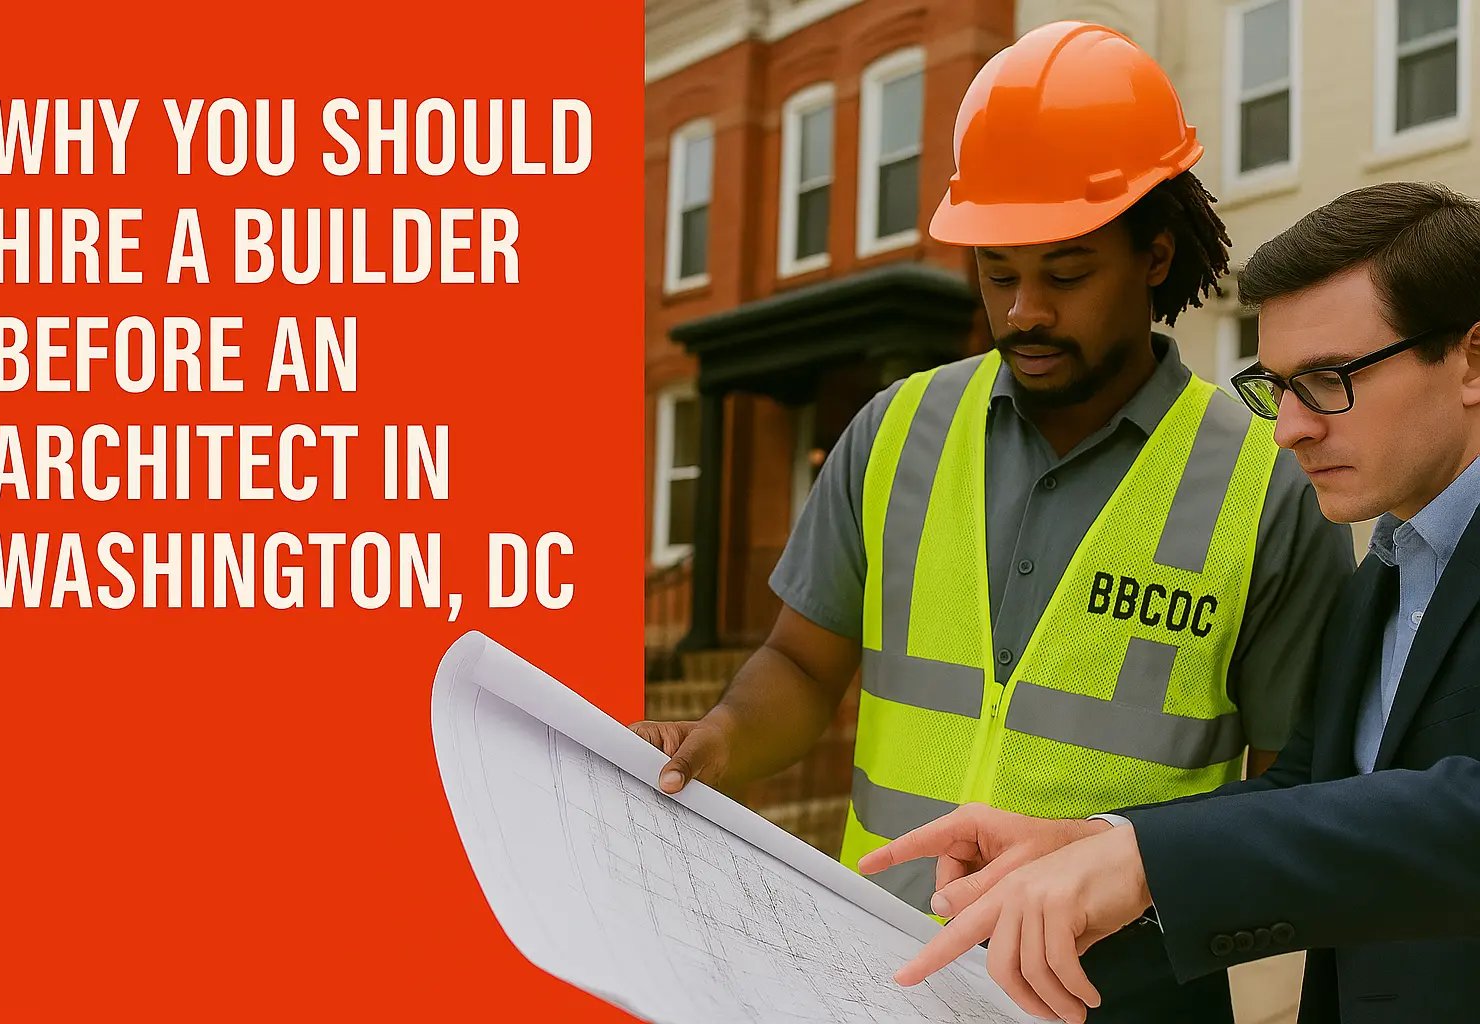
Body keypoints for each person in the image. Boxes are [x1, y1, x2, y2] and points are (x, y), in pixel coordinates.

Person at [633, 20, 1353, 1021]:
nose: (1021, 312)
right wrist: (713, 743)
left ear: (1153, 256)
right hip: (873, 975)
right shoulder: (894, 434)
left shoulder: (1265, 488)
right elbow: (800, 666)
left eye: (1064, 274)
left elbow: (1292, 796)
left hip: (1123, 998)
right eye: (999, 273)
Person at [859, 181, 1480, 1024]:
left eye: (1329, 379)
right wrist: (1104, 839)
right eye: (1278, 386)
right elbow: (1313, 786)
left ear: (1472, 357)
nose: (1288, 428)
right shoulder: (1389, 571)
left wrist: (1152, 862)